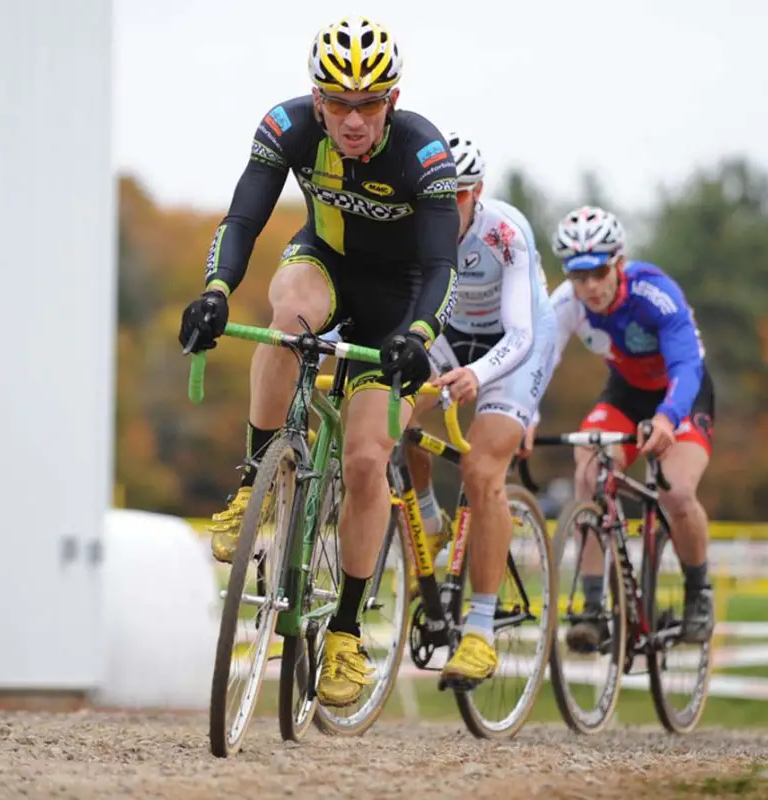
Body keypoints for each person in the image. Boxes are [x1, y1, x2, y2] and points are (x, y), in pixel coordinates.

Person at [178, 16, 460, 708]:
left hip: (397, 308)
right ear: (316, 98)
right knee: (286, 317)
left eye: (369, 104)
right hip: (325, 266)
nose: (353, 120)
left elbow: (440, 263)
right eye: (337, 103)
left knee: (367, 461)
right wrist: (214, 291)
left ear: (391, 100)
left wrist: (419, 333)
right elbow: (241, 218)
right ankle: (253, 481)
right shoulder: (287, 126)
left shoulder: (423, 152)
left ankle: (343, 634)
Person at [398, 131, 558, 685]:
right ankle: (429, 517)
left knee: (481, 468)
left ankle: (481, 632)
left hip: (515, 345)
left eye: (459, 196)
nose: (446, 208)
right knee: (390, 414)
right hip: (449, 334)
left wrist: (476, 375)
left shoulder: (505, 234)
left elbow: (519, 333)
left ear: (478, 193)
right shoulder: (413, 226)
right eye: (439, 195)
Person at [525, 205, 715, 649]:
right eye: (578, 275)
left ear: (620, 263)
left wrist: (668, 418)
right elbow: (538, 363)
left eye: (599, 272)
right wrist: (523, 417)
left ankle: (697, 591)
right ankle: (593, 607)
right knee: (589, 475)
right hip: (626, 393)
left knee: (677, 492)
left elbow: (686, 364)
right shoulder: (568, 304)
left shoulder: (654, 293)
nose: (589, 285)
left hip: (682, 393)